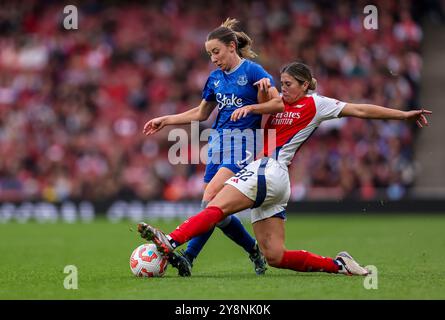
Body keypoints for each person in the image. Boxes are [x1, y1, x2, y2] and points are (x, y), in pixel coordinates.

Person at [138, 62, 432, 275]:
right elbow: (244, 110)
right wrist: (262, 99)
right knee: (275, 256)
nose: (284, 88)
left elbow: (361, 109)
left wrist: (403, 114)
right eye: (281, 83)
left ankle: (173, 240)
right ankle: (338, 265)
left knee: (215, 205)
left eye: (289, 84)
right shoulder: (275, 103)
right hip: (273, 180)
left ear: (305, 85)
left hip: (270, 169)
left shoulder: (316, 104)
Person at [143, 18, 284, 276]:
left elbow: (278, 105)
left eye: (216, 52)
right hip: (218, 145)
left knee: (210, 201)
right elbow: (200, 113)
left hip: (244, 145)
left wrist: (252, 106)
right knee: (215, 213)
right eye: (209, 54)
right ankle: (252, 249)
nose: (213, 58)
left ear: (232, 46)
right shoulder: (214, 78)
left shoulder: (253, 71)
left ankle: (187, 256)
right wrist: (166, 120)